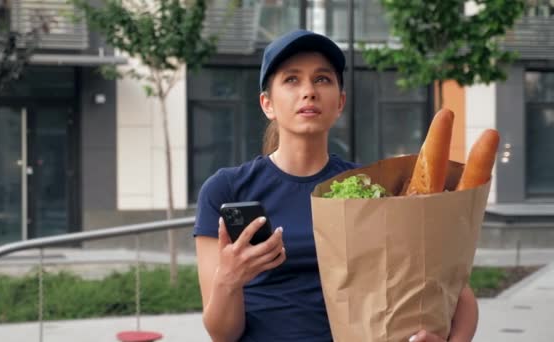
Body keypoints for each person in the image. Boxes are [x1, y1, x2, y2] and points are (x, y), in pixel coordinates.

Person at [194, 29, 478, 342]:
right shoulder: (227, 190)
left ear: (340, 102)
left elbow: (458, 294)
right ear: (267, 104)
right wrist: (229, 280)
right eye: (291, 79)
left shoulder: (370, 189)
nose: (309, 91)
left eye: (322, 79)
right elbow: (222, 334)